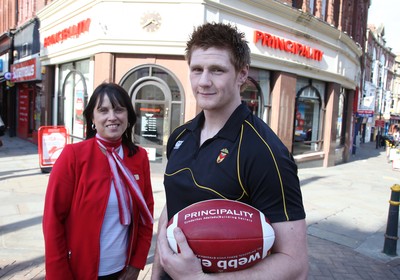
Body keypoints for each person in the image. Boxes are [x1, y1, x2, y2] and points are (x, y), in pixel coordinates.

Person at [151, 22, 308, 279]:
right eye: (196, 69)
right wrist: (157, 274)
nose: (204, 81)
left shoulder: (264, 152)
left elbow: (295, 263)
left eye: (217, 70)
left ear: (242, 74)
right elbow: (173, 208)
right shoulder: (180, 136)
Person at [43, 82, 154, 279]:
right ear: (92, 119)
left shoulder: (139, 157)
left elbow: (146, 215)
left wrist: (137, 264)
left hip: (122, 271)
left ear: (128, 116)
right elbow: (52, 220)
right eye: (103, 110)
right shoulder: (74, 156)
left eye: (119, 110)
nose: (112, 117)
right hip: (79, 271)